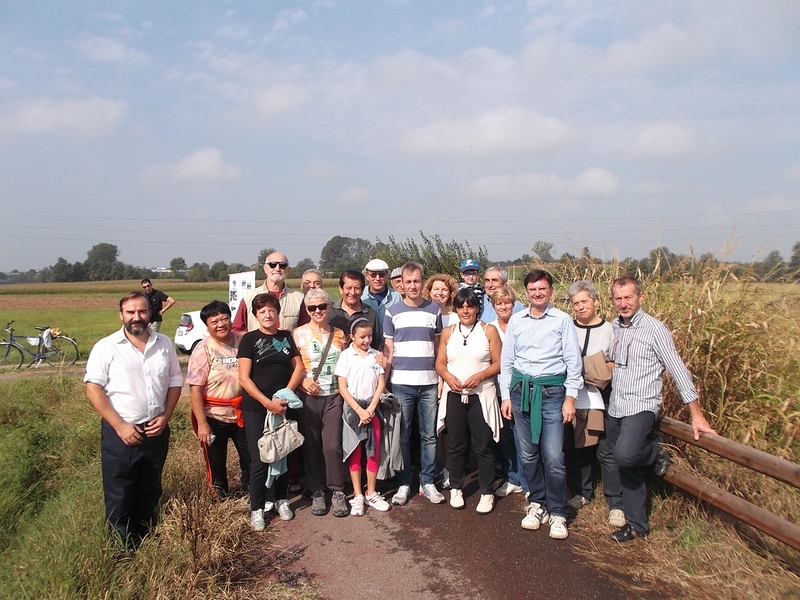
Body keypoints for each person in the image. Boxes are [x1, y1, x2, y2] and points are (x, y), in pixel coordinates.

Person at [606, 276, 716, 542]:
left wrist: (696, 413)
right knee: (625, 465)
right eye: (618, 298)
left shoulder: (656, 329)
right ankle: (637, 525)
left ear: (640, 297)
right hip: (616, 406)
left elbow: (678, 370)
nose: (623, 303)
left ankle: (656, 452)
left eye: (628, 297)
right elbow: (611, 362)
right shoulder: (614, 328)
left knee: (626, 455)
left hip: (641, 406)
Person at [84, 291, 182, 549]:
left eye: (142, 312)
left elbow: (174, 381)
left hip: (156, 429)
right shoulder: (106, 347)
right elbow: (93, 388)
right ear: (121, 315)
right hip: (121, 432)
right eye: (131, 312)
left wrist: (166, 416)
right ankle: (121, 550)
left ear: (150, 313)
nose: (137, 317)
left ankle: (146, 541)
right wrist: (120, 426)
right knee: (121, 493)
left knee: (150, 489)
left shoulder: (164, 344)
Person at [499, 270, 582, 540]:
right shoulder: (516, 321)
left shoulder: (562, 320)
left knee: (554, 456)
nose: (538, 293)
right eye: (533, 289)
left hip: (552, 393)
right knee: (528, 455)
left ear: (551, 291)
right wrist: (506, 396)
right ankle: (537, 504)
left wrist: (570, 397)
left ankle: (558, 511)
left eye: (542, 289)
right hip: (521, 391)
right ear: (527, 292)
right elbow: (507, 361)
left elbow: (573, 361)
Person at [238, 293, 305, 531]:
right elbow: (244, 379)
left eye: (271, 310)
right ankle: (257, 507)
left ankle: (281, 499)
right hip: (258, 409)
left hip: (282, 407)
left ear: (278, 313)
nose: (267, 314)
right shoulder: (249, 340)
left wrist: (284, 395)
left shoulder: (286, 337)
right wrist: (268, 403)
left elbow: (299, 368)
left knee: (282, 453)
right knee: (260, 458)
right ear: (256, 315)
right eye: (262, 311)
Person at [383, 261, 445, 506]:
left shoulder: (434, 310)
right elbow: (388, 349)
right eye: (408, 282)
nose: (412, 286)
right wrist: (384, 381)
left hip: (429, 382)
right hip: (401, 383)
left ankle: (427, 481)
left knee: (429, 435)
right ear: (402, 285)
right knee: (403, 436)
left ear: (423, 281)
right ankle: (404, 482)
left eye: (417, 281)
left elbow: (439, 348)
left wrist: (441, 379)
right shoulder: (392, 312)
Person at [435, 288, 502, 513]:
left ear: (477, 308)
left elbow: (498, 363)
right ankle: (456, 487)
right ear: (456, 309)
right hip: (454, 395)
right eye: (461, 306)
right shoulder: (448, 332)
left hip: (481, 396)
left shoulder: (488, 331)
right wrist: (448, 377)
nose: (466, 310)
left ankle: (486, 491)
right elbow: (440, 363)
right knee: (456, 444)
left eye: (470, 306)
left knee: (483, 446)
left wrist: (480, 376)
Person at [565, 281, 623, 527]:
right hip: (575, 396)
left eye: (584, 302)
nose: (580, 307)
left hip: (603, 396)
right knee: (579, 448)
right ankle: (581, 492)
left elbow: (615, 362)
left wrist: (593, 371)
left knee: (606, 450)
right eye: (576, 303)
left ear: (595, 302)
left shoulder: (610, 329)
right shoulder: (568, 327)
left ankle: (616, 503)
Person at [292, 288, 349, 517]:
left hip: (334, 395)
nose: (317, 311)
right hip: (308, 398)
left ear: (329, 307)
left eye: (322, 306)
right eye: (312, 308)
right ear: (307, 310)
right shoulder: (297, 334)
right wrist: (301, 383)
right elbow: (291, 366)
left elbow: (350, 360)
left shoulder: (340, 334)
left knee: (332, 446)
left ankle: (337, 490)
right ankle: (317, 490)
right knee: (312, 445)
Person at [187, 300, 250, 499]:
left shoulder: (244, 341)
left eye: (224, 318)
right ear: (207, 325)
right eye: (214, 321)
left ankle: (251, 494)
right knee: (216, 462)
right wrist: (203, 424)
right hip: (213, 415)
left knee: (250, 458)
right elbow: (195, 390)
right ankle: (220, 499)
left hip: (242, 413)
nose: (221, 324)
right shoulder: (203, 349)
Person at [336, 318, 391, 516]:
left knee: (373, 451)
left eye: (369, 336)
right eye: (362, 337)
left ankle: (371, 491)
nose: (367, 340)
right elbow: (342, 387)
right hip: (353, 410)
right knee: (355, 452)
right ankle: (358, 494)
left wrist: (372, 408)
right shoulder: (345, 356)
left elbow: (381, 384)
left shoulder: (376, 356)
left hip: (372, 409)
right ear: (352, 336)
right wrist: (359, 410)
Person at [488, 286, 528, 498]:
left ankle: (528, 479)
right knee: (505, 435)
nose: (504, 307)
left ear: (514, 304)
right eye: (499, 303)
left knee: (523, 435)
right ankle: (513, 476)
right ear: (493, 306)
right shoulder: (490, 328)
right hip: (496, 388)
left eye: (507, 303)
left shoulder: (523, 323)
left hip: (519, 386)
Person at [232, 251, 304, 333]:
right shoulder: (248, 297)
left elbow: (306, 331)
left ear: (288, 270)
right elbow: (237, 330)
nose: (277, 269)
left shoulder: (299, 299)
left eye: (282, 265)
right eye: (272, 265)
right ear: (265, 268)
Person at [328, 270, 382, 351]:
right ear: (340, 288)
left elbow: (377, 346)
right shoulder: (328, 311)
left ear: (363, 290)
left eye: (356, 288)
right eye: (348, 288)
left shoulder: (371, 314)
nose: (352, 293)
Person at [362, 259, 402, 327]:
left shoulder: (397, 297)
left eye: (381, 275)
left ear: (387, 275)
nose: (377, 278)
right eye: (373, 275)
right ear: (367, 276)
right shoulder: (361, 295)